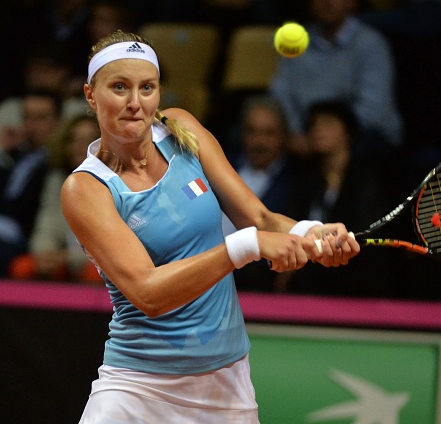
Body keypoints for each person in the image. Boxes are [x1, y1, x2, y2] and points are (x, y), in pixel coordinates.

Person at [62, 30, 359, 422]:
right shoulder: (86, 188)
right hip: (137, 392)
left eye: (147, 87)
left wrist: (310, 232)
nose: (135, 103)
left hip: (227, 385)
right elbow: (149, 294)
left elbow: (259, 217)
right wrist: (247, 246)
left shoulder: (180, 129)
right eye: (119, 88)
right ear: (90, 95)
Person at [281, 99, 405, 297]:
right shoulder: (305, 180)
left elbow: (370, 241)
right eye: (314, 125)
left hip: (356, 282)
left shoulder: (367, 179)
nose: (318, 130)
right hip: (309, 282)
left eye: (328, 123)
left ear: (348, 132)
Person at [269, 0, 404, 158]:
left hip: (362, 138)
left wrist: (329, 134)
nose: (328, 0)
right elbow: (280, 94)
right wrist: (295, 133)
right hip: (305, 135)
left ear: (350, 1)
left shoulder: (371, 44)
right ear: (310, 0)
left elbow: (374, 111)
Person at [8, 114, 101, 282]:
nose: (80, 146)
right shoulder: (56, 180)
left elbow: (108, 247)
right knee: (23, 267)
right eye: (73, 139)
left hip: (100, 263)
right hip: (62, 258)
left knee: (94, 275)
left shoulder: (116, 183)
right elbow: (46, 226)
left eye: (88, 140)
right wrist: (45, 254)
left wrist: (66, 258)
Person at [222, 95, 301, 291]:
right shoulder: (223, 167)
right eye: (252, 132)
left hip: (253, 288)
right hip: (201, 271)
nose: (259, 142)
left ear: (283, 136)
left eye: (268, 133)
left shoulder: (296, 183)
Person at [0, 90, 63, 275]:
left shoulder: (58, 163)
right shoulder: (15, 154)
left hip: (22, 239)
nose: (31, 125)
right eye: (27, 117)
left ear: (58, 122)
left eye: (41, 118)